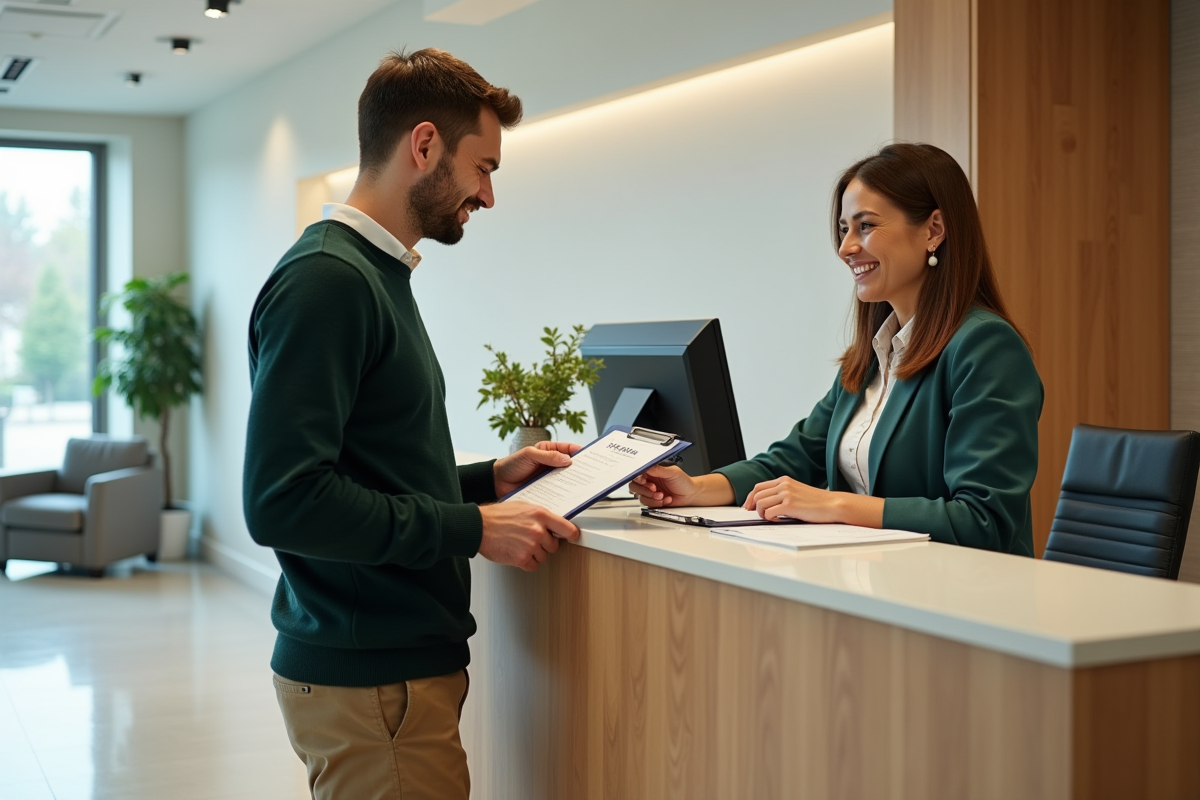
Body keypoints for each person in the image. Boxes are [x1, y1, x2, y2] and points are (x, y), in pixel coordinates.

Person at [243, 49, 580, 800]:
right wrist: (472, 529)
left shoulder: (373, 274)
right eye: (482, 167)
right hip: (374, 683)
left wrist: (488, 481)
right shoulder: (329, 282)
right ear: (423, 145)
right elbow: (284, 500)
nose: (488, 196)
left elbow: (365, 468)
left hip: (389, 675)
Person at [631, 143, 1043, 555]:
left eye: (865, 226)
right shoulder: (874, 354)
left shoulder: (985, 346)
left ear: (934, 230)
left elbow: (984, 519)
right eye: (845, 228)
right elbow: (794, 458)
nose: (846, 247)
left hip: (962, 598)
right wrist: (695, 489)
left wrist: (832, 503)